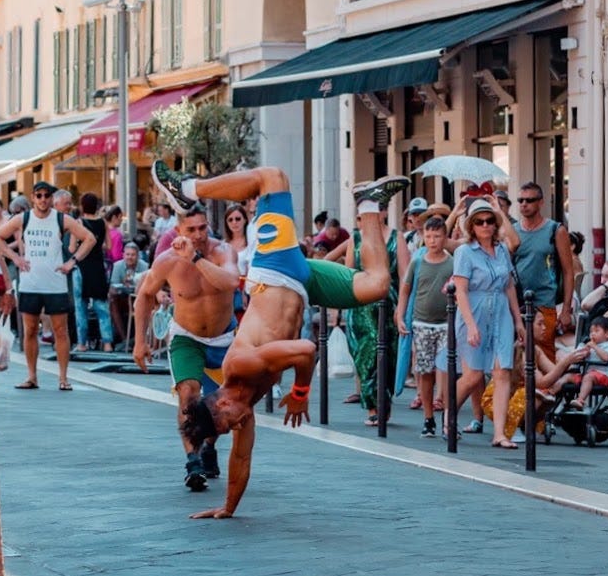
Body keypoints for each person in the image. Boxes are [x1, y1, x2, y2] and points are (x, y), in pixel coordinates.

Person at [156, 161, 408, 518]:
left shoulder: (240, 366)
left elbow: (305, 350)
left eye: (227, 426)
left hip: (275, 271)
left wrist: (301, 394)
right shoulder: (244, 404)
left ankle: (187, 188)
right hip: (304, 285)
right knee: (377, 285)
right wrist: (227, 507)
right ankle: (368, 204)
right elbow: (241, 458)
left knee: (272, 177)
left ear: (222, 407)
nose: (236, 428)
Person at [132, 205, 239, 491]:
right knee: (188, 394)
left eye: (203, 227)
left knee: (218, 406)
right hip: (186, 337)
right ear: (178, 231)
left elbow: (230, 281)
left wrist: (196, 257)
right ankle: (193, 462)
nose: (199, 234)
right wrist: (140, 342)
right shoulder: (167, 261)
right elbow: (143, 296)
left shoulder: (223, 252)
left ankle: (208, 446)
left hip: (223, 339)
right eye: (191, 229)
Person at [0, 182, 96, 390]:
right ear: (33, 197)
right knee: (30, 330)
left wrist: (72, 261)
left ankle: (63, 378)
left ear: (52, 198)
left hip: (55, 284)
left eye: (46, 196)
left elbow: (89, 238)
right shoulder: (23, 218)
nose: (43, 199)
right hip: (30, 283)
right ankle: (31, 376)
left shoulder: (61, 219)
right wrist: (15, 258)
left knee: (60, 331)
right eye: (39, 195)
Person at [451, 198, 523, 449]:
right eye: (479, 221)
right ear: (471, 225)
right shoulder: (464, 251)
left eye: (489, 221)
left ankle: (500, 433)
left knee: (502, 370)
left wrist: (519, 321)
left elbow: (510, 285)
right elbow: (460, 290)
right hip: (475, 309)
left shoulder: (502, 249)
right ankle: (449, 416)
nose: (485, 225)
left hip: (501, 309)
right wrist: (471, 325)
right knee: (472, 375)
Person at [343, 204, 408, 427]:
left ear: (384, 212)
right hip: (361, 306)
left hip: (388, 304)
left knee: (388, 354)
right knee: (366, 354)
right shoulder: (356, 237)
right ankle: (373, 406)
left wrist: (402, 308)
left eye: (375, 210)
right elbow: (348, 272)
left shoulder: (396, 237)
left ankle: (383, 402)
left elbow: (405, 276)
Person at [507, 182, 575, 364]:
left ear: (541, 202)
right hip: (517, 302)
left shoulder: (555, 230)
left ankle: (546, 391)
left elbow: (569, 271)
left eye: (529, 200)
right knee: (515, 357)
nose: (524, 204)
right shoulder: (512, 231)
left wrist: (566, 309)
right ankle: (521, 392)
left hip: (544, 301)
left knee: (544, 355)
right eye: (520, 200)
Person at [396, 215, 452, 435]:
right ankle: (428, 418)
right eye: (428, 236)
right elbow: (405, 289)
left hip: (446, 324)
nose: (432, 241)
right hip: (421, 323)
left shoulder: (452, 263)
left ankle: (448, 416)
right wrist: (400, 315)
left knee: (446, 370)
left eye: (437, 236)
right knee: (425, 371)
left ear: (445, 237)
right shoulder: (417, 261)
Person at [74, 192, 113, 351]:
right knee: (101, 307)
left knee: (81, 307)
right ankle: (107, 343)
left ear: (82, 206)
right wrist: (97, 247)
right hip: (98, 266)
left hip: (81, 266)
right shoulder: (103, 222)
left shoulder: (79, 222)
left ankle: (82, 343)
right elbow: (108, 246)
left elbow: (71, 247)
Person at [109, 242, 149, 350]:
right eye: (128, 254)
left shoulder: (144, 266)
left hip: (138, 298)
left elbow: (146, 285)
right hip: (122, 297)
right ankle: (124, 339)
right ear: (123, 255)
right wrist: (122, 285)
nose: (130, 257)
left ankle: (138, 338)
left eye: (132, 255)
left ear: (137, 256)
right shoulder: (117, 266)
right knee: (112, 301)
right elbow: (113, 286)